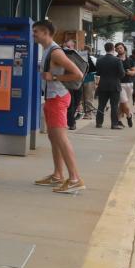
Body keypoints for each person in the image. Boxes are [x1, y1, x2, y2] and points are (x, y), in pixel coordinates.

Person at [33, 20, 85, 193]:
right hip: (52, 98)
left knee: (61, 138)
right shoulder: (48, 50)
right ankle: (57, 175)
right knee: (54, 138)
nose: (33, 35)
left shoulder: (55, 52)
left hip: (57, 98)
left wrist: (54, 78)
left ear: (46, 32)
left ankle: (75, 179)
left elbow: (77, 74)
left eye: (36, 32)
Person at [95, 42, 125, 129]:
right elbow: (122, 74)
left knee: (101, 105)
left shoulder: (99, 60)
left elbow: (98, 73)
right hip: (114, 85)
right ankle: (114, 124)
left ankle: (99, 123)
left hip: (103, 85)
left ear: (105, 49)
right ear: (113, 49)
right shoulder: (117, 60)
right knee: (114, 105)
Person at [63, 39, 84, 129]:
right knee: (71, 103)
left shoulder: (79, 55)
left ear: (74, 46)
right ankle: (72, 123)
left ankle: (70, 119)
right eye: (67, 46)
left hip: (78, 82)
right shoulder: (61, 54)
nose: (68, 47)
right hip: (67, 83)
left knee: (76, 102)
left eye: (70, 46)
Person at [115, 42, 135, 127]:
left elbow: (134, 72)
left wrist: (129, 72)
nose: (119, 49)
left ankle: (119, 120)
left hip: (129, 84)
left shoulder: (130, 60)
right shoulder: (115, 59)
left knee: (122, 103)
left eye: (120, 48)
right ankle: (129, 115)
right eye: (117, 48)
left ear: (124, 48)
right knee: (124, 102)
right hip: (119, 84)